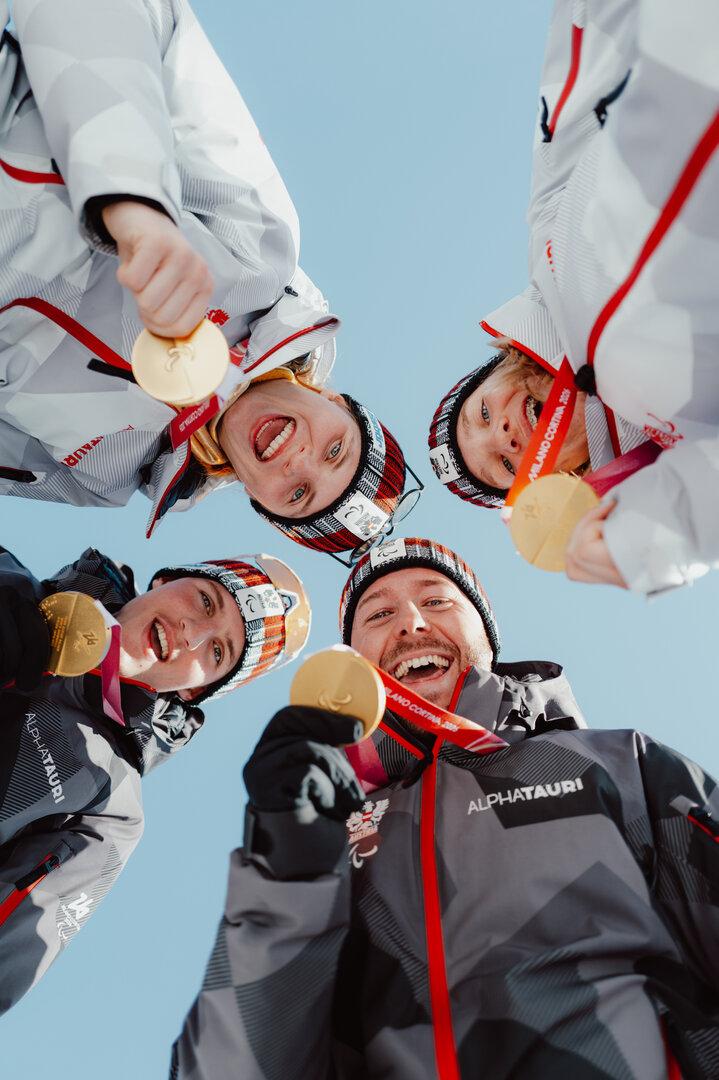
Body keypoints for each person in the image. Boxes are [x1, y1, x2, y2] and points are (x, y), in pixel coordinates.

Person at [170, 535, 719, 1079]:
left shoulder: (619, 763)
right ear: (353, 664)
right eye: (378, 614)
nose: (411, 623)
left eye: (436, 600)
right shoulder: (322, 830)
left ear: (486, 635)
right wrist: (284, 874)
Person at [0, 0, 413, 554]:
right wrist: (134, 201)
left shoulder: (103, 478)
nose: (300, 461)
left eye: (298, 495)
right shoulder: (258, 250)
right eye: (335, 450)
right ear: (335, 400)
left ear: (259, 502)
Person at [429, 0, 719, 593]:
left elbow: (581, 72)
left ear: (498, 371)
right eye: (505, 464)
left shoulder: (547, 249)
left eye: (482, 414)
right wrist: (657, 539)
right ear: (550, 482)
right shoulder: (677, 452)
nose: (503, 434)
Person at [0, 540, 307, 1013]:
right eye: (206, 601)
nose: (193, 634)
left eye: (218, 652)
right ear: (165, 580)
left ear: (195, 691)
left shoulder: (109, 807)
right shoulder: (9, 579)